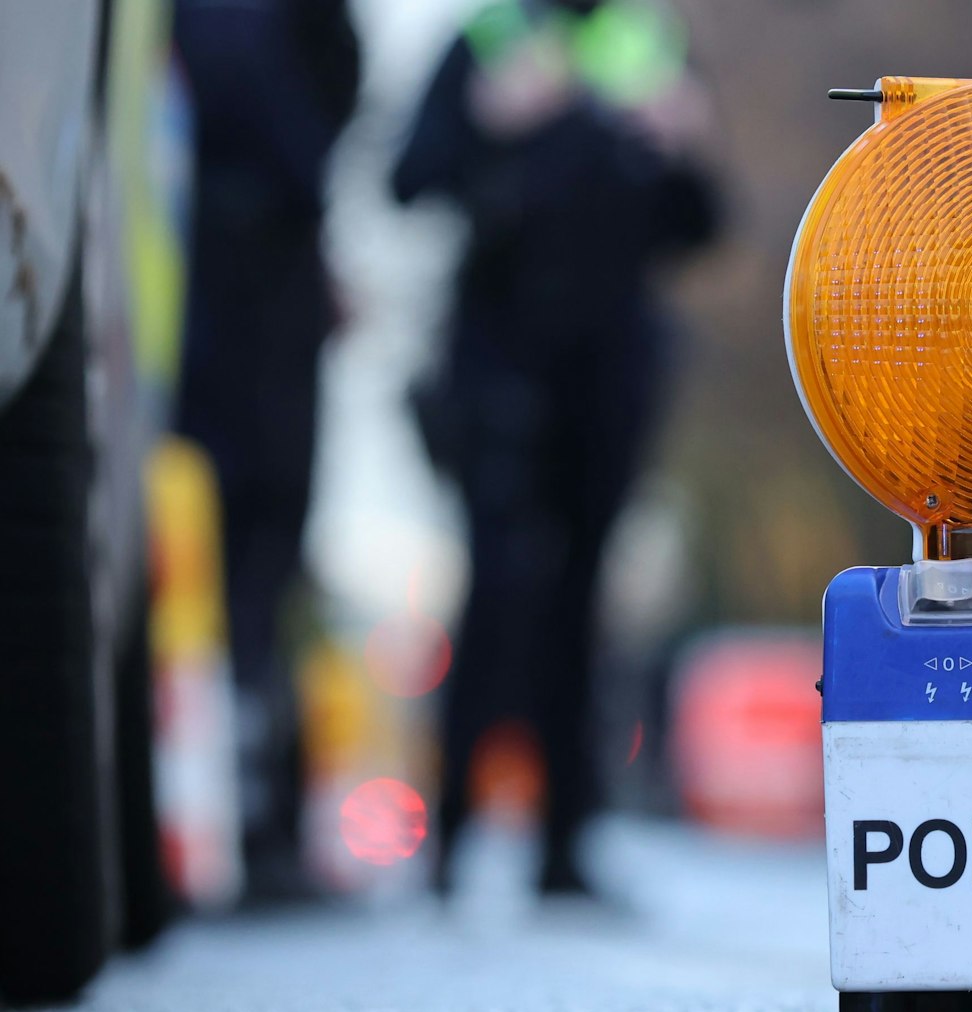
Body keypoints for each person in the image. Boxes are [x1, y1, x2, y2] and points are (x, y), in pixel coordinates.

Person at [391, 0, 719, 897]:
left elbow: (699, 225)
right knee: (499, 592)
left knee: (581, 598)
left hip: (609, 372)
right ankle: (450, 836)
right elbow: (409, 179)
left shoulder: (649, 50)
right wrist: (490, 124)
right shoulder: (486, 43)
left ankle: (564, 847)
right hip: (499, 364)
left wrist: (683, 145)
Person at [173, 0, 360, 901]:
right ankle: (248, 824)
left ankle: (252, 820)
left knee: (249, 576)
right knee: (242, 570)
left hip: (239, 289)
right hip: (238, 305)